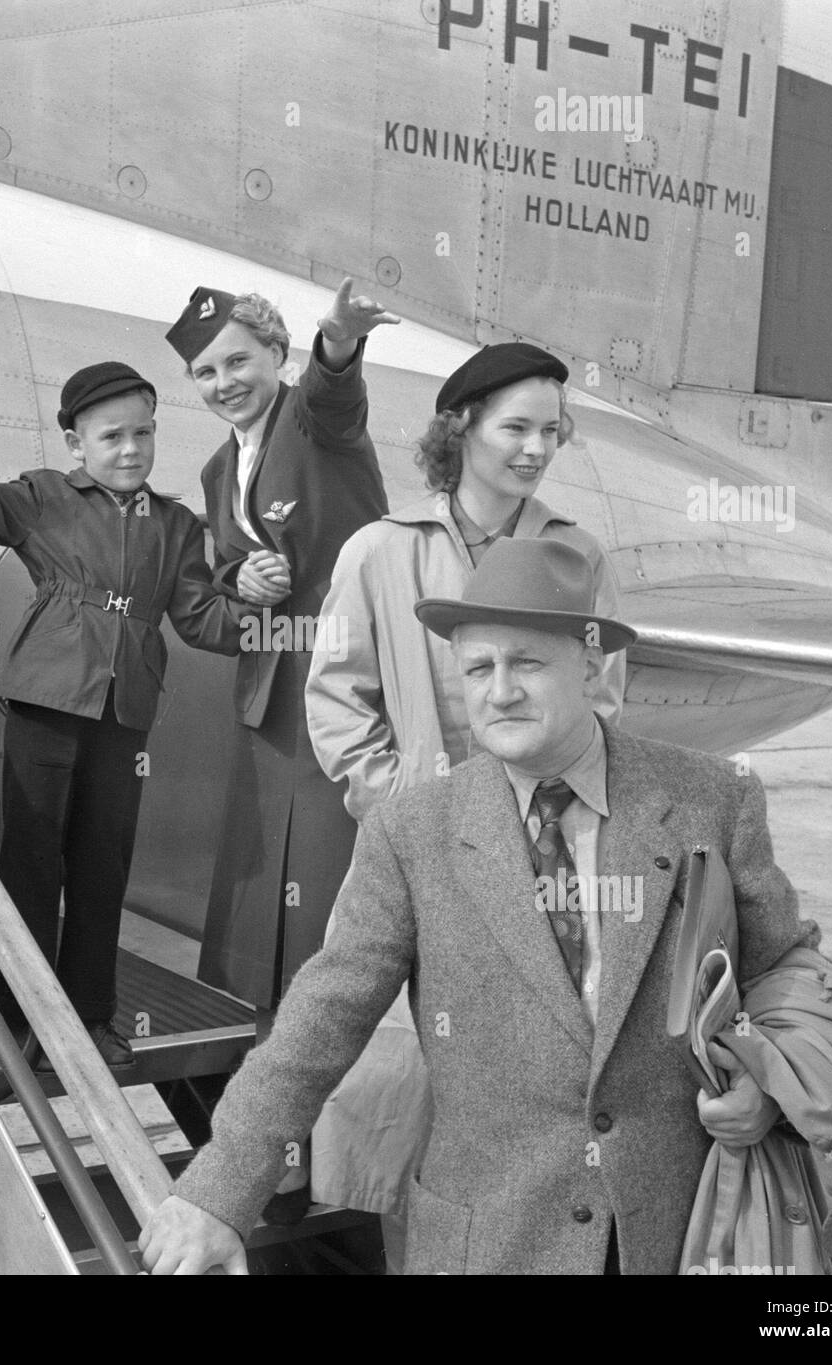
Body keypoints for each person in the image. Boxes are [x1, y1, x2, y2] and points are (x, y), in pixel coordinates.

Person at [139, 538, 819, 1274]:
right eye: (477, 668)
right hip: (488, 1244)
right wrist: (217, 1192)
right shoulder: (413, 832)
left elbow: (787, 971)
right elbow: (321, 1018)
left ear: (590, 667)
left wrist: (772, 1086)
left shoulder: (709, 799)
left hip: (678, 1234)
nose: (500, 691)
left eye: (527, 662)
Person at [303, 342, 626, 1263]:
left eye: (551, 430)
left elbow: (604, 697)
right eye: (515, 427)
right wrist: (404, 810)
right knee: (416, 1112)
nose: (535, 448)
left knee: (545, 1102)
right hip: (425, 861)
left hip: (554, 861)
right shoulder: (378, 550)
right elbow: (335, 700)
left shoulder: (576, 553)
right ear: (461, 429)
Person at [0, 326, 256, 1069]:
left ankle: (89, 1017)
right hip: (47, 701)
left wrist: (261, 612)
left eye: (144, 433)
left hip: (124, 713)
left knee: (102, 866)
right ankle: (12, 1018)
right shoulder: (42, 497)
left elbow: (201, 618)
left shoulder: (179, 526)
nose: (131, 449)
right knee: (32, 861)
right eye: (113, 436)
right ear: (75, 442)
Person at [164, 279, 396, 1212]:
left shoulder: (313, 420)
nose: (224, 381)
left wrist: (339, 343)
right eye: (205, 370)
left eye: (237, 361)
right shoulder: (225, 468)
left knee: (325, 914)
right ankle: (260, 1112)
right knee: (256, 911)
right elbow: (226, 572)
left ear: (277, 356)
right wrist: (240, 576)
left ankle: (327, 1134)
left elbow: (339, 396)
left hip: (338, 697)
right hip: (268, 706)